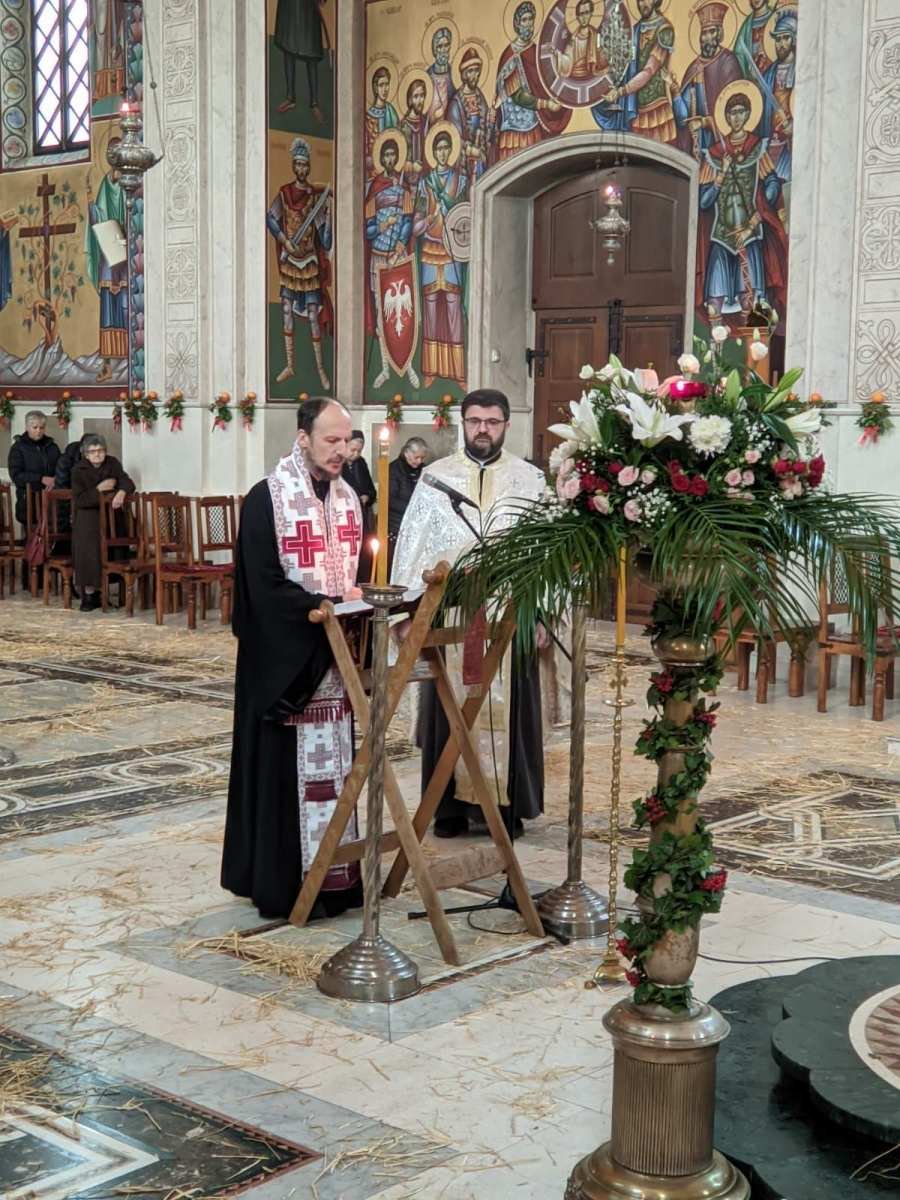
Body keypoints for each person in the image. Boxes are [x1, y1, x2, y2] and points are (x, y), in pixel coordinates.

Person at [222, 398, 365, 921]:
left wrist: (353, 610)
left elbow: (358, 574)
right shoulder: (268, 497)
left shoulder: (350, 500)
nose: (341, 451)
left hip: (336, 664)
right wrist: (319, 609)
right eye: (330, 440)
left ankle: (336, 881)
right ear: (303, 437)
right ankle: (282, 883)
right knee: (283, 775)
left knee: (337, 769)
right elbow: (260, 587)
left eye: (346, 441)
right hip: (285, 666)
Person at [392, 390, 546, 839]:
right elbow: (412, 546)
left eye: (492, 422)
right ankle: (448, 810)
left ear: (506, 425)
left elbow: (544, 554)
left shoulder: (530, 480)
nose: (483, 429)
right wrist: (406, 614)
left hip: (510, 614)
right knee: (446, 711)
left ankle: (506, 809)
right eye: (475, 420)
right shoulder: (436, 479)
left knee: (511, 713)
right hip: (450, 614)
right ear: (463, 422)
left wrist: (542, 614)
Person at [266, 137, 333, 389]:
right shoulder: (284, 194)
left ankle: (320, 369)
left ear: (309, 167)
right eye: (298, 164)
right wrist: (284, 241)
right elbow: (270, 219)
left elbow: (325, 240)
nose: (302, 169)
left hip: (309, 261)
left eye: (305, 165)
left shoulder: (315, 199)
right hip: (290, 261)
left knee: (313, 314)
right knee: (286, 310)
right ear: (294, 166)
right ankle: (290, 365)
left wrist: (329, 217)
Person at [413, 126, 467, 388]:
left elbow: (465, 215)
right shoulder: (425, 184)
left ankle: (458, 371)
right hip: (430, 251)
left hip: (452, 251)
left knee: (454, 308)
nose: (443, 152)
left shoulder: (461, 181)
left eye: (446, 148)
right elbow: (416, 225)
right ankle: (431, 369)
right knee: (431, 309)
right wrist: (429, 220)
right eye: (439, 148)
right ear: (433, 152)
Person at [494, 1, 569, 162]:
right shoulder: (510, 56)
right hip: (514, 131)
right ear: (516, 24)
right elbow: (518, 96)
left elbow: (544, 84)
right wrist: (546, 104)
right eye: (524, 20)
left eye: (531, 20)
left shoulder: (536, 52)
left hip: (534, 127)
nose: (528, 24)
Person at [594, 0, 677, 144]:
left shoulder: (664, 30)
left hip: (656, 112)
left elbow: (649, 70)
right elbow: (623, 65)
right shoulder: (636, 29)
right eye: (639, 0)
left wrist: (620, 92)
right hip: (636, 113)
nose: (642, 4)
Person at [70, 435, 134, 612]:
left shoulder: (112, 463)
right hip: (88, 520)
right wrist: (99, 489)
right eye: (93, 452)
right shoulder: (78, 470)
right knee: (90, 553)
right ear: (86, 454)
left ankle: (105, 593)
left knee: (113, 552)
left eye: (100, 450)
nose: (97, 454)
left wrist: (121, 491)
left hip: (111, 518)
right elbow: (80, 499)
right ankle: (89, 596)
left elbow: (127, 481)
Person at [673, 2, 742, 160]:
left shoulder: (729, 62)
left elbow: (734, 105)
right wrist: (675, 94)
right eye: (704, 33)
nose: (707, 38)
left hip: (719, 142)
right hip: (697, 143)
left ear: (720, 34)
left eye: (712, 32)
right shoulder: (694, 67)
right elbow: (682, 119)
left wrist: (705, 122)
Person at [273, 0, 326, 122]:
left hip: (308, 8)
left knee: (311, 52)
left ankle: (314, 103)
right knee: (288, 47)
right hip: (289, 7)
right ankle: (290, 98)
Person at [8, 411, 59, 528]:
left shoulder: (52, 446)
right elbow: (16, 476)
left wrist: (56, 479)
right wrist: (40, 478)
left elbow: (60, 467)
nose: (38, 431)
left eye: (42, 427)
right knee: (31, 536)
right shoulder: (18, 448)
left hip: (51, 502)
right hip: (28, 502)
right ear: (27, 427)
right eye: (35, 427)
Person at [388, 437, 427, 568]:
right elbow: (390, 500)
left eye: (422, 458)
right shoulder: (394, 469)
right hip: (397, 525)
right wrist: (413, 509)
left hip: (419, 525)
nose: (419, 461)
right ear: (406, 453)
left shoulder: (425, 470)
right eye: (416, 457)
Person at [343, 429, 376, 581]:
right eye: (353, 450)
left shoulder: (361, 463)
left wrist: (367, 496)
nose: (356, 454)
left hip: (362, 516)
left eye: (359, 451)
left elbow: (371, 489)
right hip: (345, 517)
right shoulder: (337, 464)